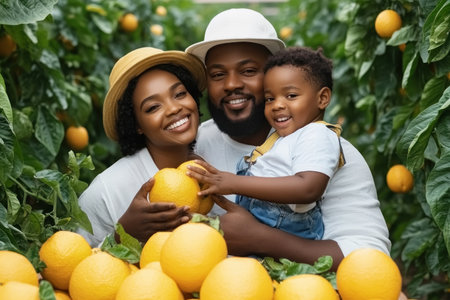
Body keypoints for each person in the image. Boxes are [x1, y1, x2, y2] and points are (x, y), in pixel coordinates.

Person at [185, 8, 391, 269]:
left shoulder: (326, 150)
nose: (231, 84)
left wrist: (261, 239)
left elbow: (370, 259)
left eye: (248, 70)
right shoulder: (194, 143)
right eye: (217, 74)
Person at [188, 46, 345, 242]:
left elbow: (308, 188)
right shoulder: (282, 139)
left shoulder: (318, 134)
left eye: (291, 96)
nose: (277, 105)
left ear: (322, 98)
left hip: (290, 233)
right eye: (270, 98)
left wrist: (233, 183)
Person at [77, 47, 206, 246]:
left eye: (179, 94)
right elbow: (74, 266)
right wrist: (123, 235)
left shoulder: (213, 157)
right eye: (153, 107)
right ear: (136, 124)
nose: (174, 108)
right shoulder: (106, 192)